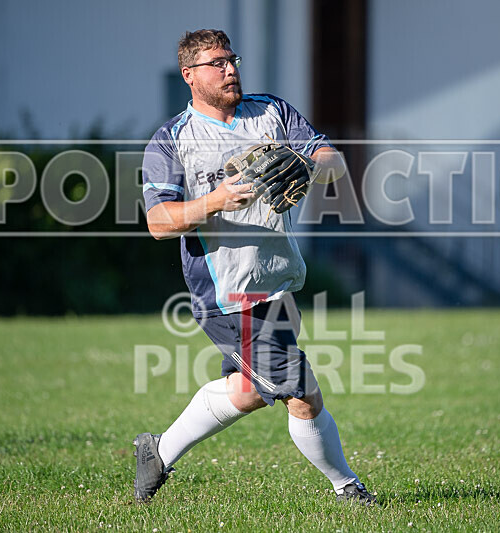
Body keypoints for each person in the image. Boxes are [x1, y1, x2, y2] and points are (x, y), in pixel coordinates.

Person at [134, 29, 375, 506]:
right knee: (302, 391)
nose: (230, 70)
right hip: (228, 294)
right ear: (189, 75)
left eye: (232, 60)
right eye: (217, 63)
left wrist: (310, 166)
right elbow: (159, 223)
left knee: (248, 391)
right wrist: (216, 199)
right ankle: (348, 488)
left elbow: (332, 161)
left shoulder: (271, 112)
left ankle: (157, 452)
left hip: (276, 280)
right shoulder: (171, 141)